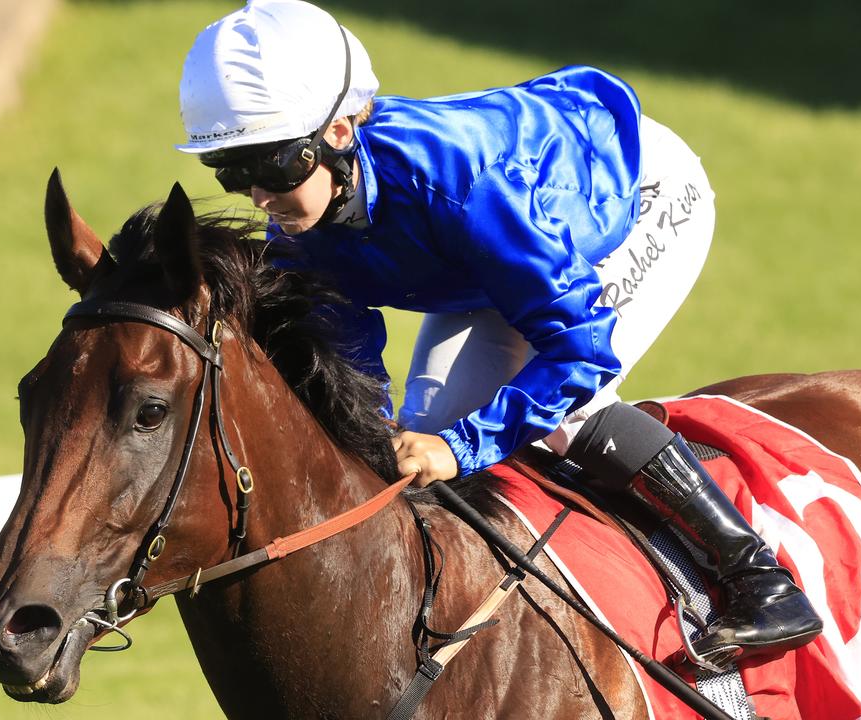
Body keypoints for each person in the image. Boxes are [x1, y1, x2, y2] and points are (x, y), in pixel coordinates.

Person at [175, 0, 821, 666]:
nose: (256, 196)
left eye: (273, 166)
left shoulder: (466, 182)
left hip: (635, 199)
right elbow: (348, 350)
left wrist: (460, 445)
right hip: (491, 259)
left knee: (559, 410)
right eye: (232, 170)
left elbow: (578, 348)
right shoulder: (304, 225)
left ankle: (758, 578)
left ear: (340, 130)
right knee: (411, 450)